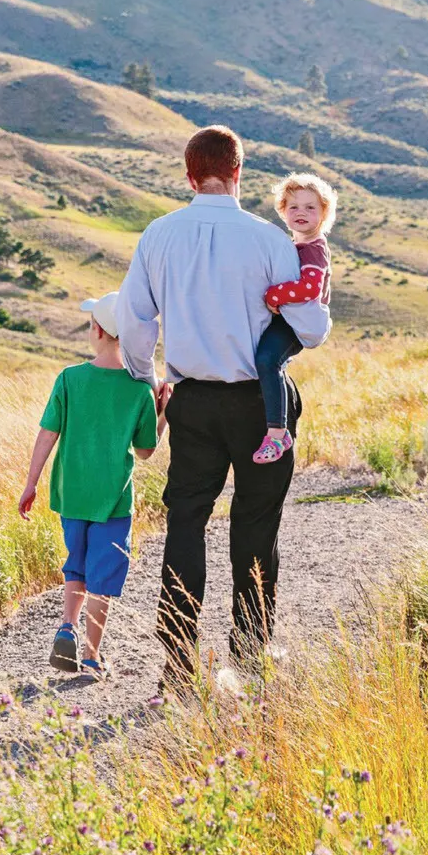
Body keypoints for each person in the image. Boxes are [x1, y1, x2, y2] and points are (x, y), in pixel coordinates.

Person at [116, 125, 331, 693]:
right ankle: (251, 656)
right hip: (262, 405)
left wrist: (149, 379)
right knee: (256, 525)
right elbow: (311, 329)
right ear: (239, 172)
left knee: (185, 522)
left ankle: (177, 662)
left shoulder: (159, 235)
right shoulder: (269, 241)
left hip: (191, 400)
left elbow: (135, 323)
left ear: (190, 177)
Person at [18, 291, 169, 680]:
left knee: (77, 565)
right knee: (102, 578)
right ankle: (90, 656)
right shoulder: (139, 390)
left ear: (98, 331)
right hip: (113, 501)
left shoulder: (69, 379)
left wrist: (31, 483)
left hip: (71, 493)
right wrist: (163, 414)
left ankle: (67, 626)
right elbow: (145, 451)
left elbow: (47, 434)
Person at [253, 172, 338, 465]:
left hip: (297, 322)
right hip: (287, 318)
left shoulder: (314, 248)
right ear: (282, 211)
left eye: (310, 207)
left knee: (267, 360)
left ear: (324, 213)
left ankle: (277, 434)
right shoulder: (294, 244)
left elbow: (310, 288)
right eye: (294, 207)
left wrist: (273, 295)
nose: (301, 212)